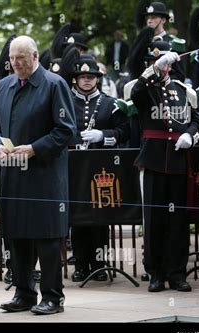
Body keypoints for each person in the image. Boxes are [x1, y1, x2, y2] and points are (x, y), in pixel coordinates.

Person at [0, 35, 76, 315]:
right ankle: (24, 292)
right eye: (12, 58)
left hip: (44, 176)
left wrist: (35, 149)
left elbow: (66, 130)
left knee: (46, 237)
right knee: (16, 235)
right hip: (12, 176)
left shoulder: (53, 85)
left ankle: (52, 296)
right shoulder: (3, 87)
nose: (15, 63)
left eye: (21, 58)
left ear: (35, 57)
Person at [130, 40, 199, 292]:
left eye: (163, 63)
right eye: (154, 63)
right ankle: (155, 272)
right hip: (153, 160)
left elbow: (196, 119)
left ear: (170, 66)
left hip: (178, 159)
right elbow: (135, 93)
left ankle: (177, 272)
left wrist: (190, 135)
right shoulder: (144, 88)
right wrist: (152, 71)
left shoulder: (184, 90)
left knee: (178, 220)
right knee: (154, 219)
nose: (161, 67)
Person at [63, 51, 129, 282]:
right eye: (82, 77)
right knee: (79, 217)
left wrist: (103, 135)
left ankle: (100, 264)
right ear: (75, 80)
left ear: (97, 79)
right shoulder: (66, 103)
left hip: (101, 171)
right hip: (75, 169)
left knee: (101, 217)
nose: (87, 80)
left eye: (91, 76)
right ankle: (81, 264)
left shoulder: (111, 104)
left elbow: (124, 132)